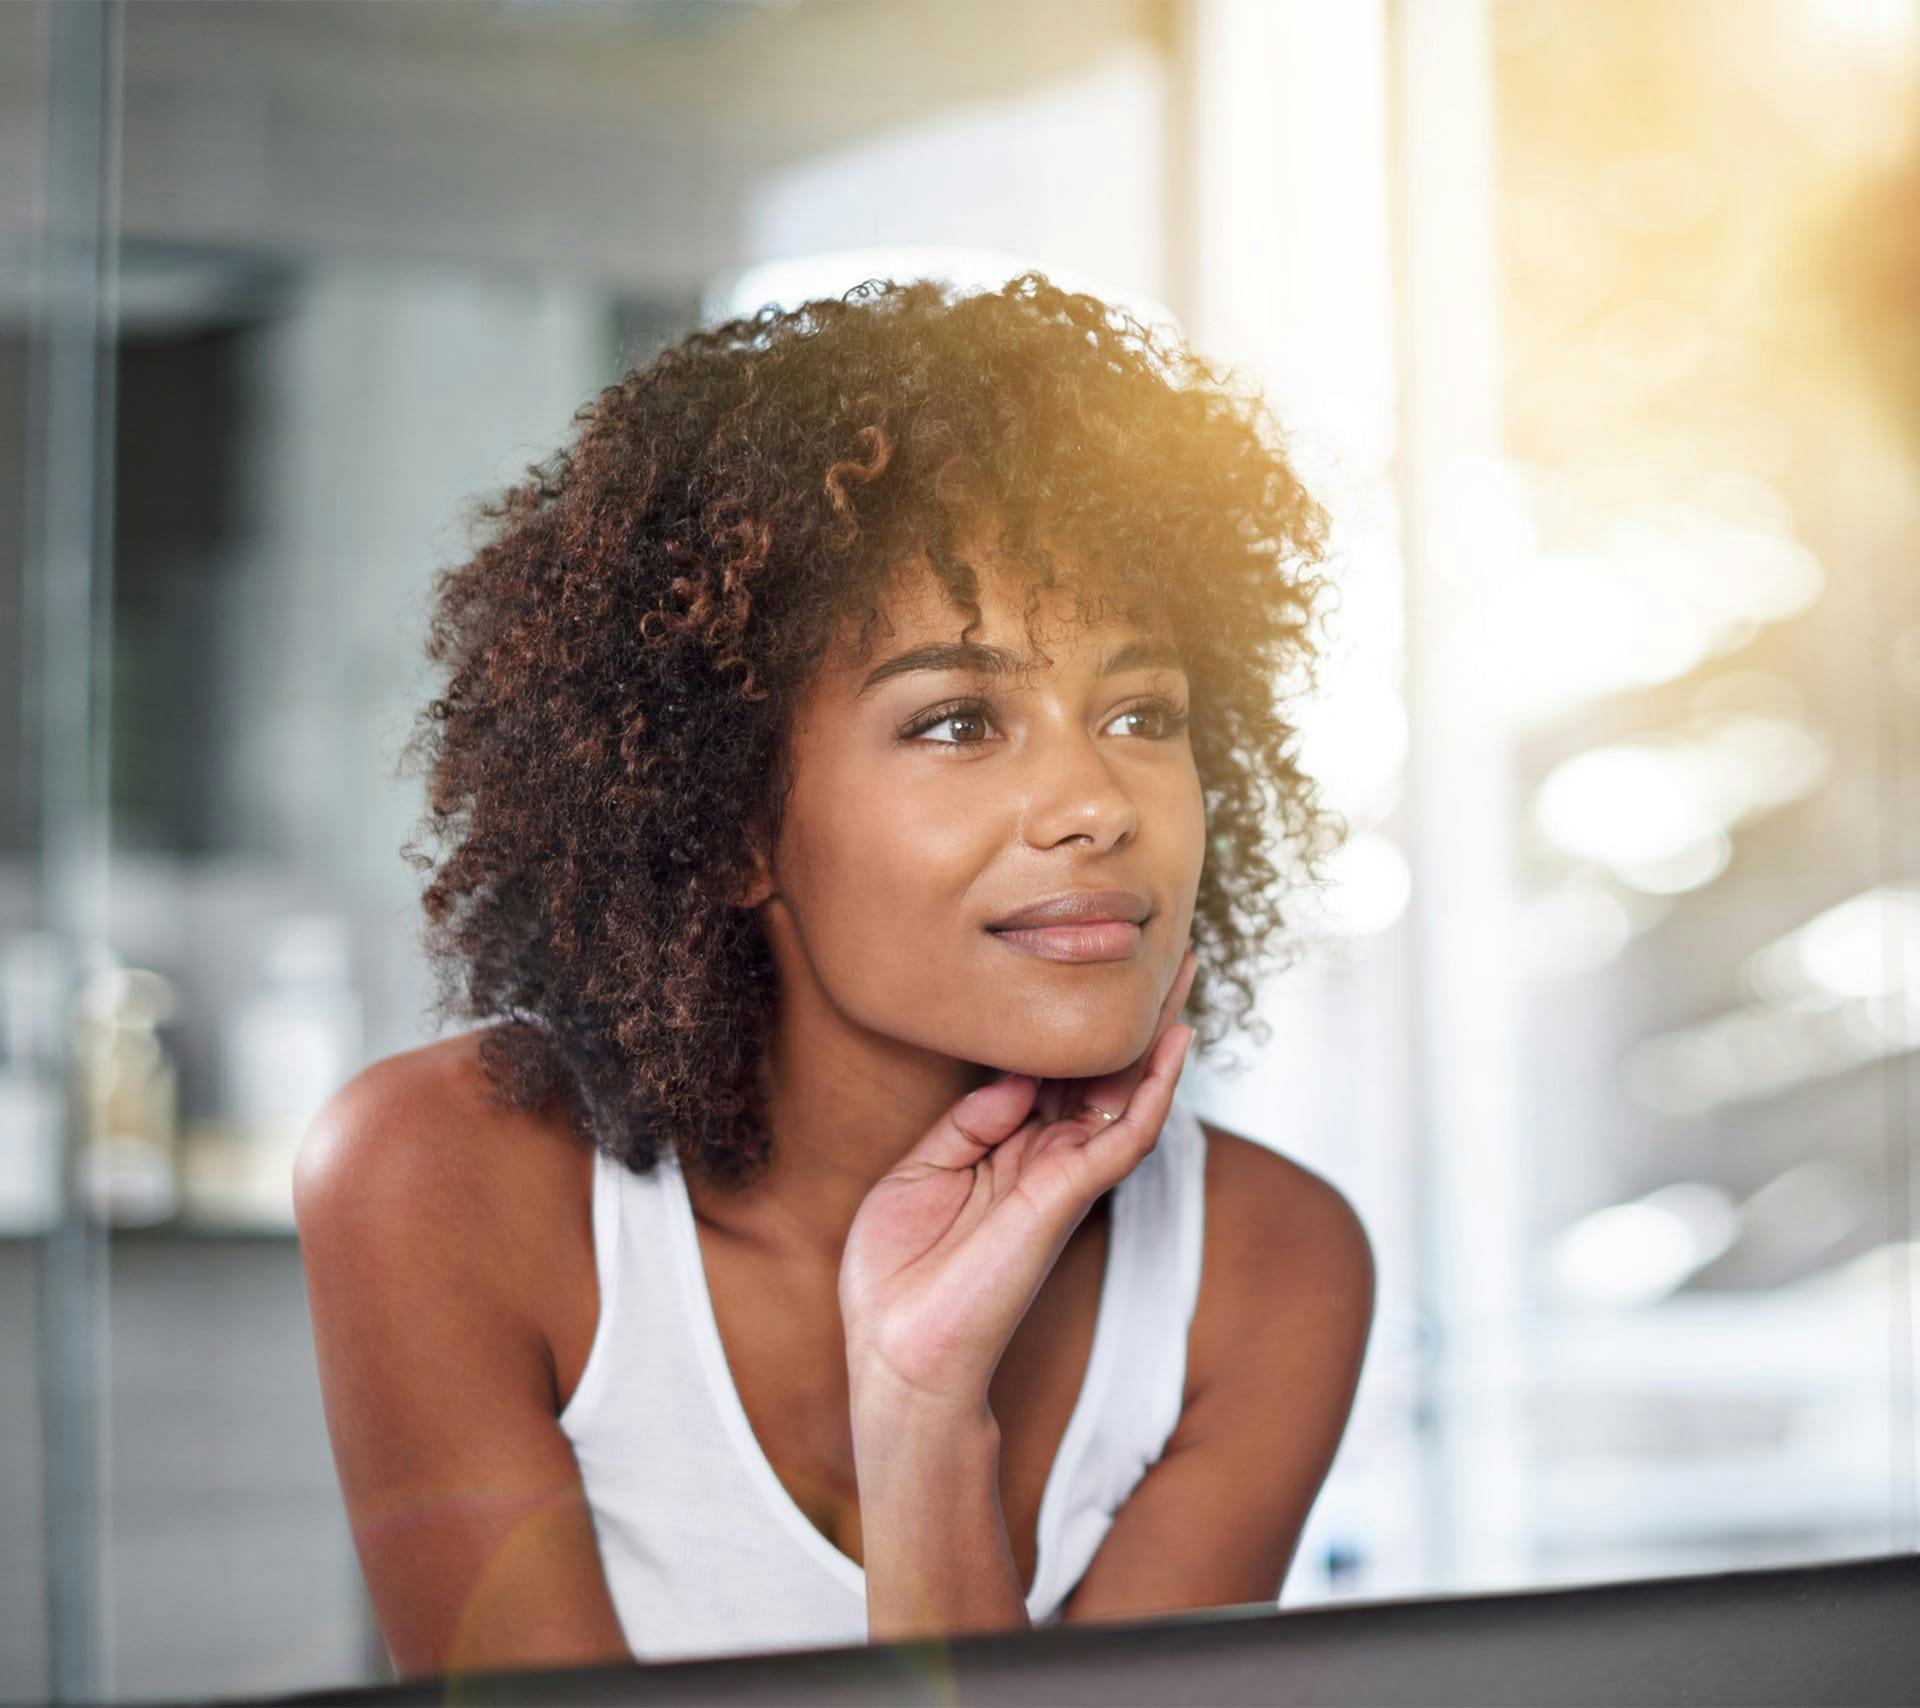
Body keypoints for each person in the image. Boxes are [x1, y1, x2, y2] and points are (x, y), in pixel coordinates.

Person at [292, 273, 1377, 1678]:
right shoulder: (445, 1176)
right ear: (733, 818)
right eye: (956, 720)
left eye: (1140, 711)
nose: (1097, 801)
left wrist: (925, 1409)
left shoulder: (1270, 1269)